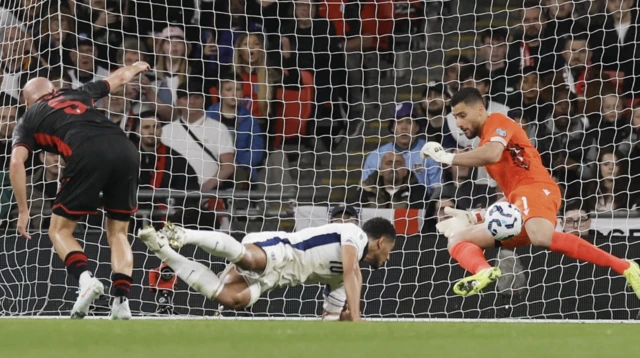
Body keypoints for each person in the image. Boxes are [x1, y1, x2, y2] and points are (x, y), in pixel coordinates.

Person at [418, 87, 640, 298]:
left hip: (538, 188)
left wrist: (447, 157)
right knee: (457, 239)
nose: (458, 123)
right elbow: (512, 195)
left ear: (480, 110)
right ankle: (483, 271)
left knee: (541, 237)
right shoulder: (486, 142)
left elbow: (492, 154)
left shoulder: (498, 121)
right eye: (455, 117)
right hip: (522, 199)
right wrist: (475, 216)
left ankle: (626, 267)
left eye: (462, 115)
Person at [9, 61, 151, 319]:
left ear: (28, 102)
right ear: (54, 90)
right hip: (126, 149)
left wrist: (22, 210)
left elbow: (17, 161)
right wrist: (136, 66)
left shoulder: (28, 118)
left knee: (59, 229)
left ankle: (86, 281)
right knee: (118, 232)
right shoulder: (78, 92)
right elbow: (117, 78)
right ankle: (121, 303)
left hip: (86, 152)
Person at [137, 218, 397, 321]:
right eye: (389, 252)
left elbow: (327, 320)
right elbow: (352, 270)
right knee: (249, 260)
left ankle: (163, 251)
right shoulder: (355, 234)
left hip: (277, 279)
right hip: (282, 249)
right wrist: (359, 317)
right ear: (381, 242)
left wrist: (342, 319)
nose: (387, 260)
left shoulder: (344, 279)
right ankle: (182, 234)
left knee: (233, 300)